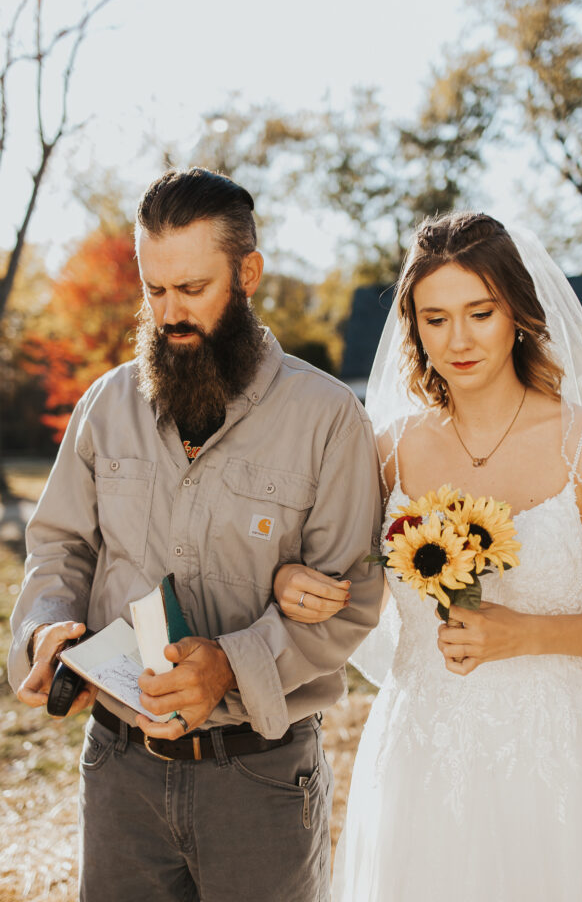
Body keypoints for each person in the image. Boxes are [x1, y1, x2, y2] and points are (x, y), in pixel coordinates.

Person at [274, 212, 582, 901]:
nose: (457, 340)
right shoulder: (389, 450)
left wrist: (523, 633)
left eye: (479, 312)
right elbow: (333, 573)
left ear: (517, 313)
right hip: (418, 756)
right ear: (412, 328)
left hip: (554, 765)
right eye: (434, 319)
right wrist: (290, 579)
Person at [8, 167, 385, 902]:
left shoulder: (330, 417)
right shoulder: (104, 404)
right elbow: (59, 548)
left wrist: (233, 666)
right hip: (118, 771)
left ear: (248, 274)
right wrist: (46, 632)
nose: (170, 314)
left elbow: (353, 597)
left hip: (261, 778)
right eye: (155, 291)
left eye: (193, 289)